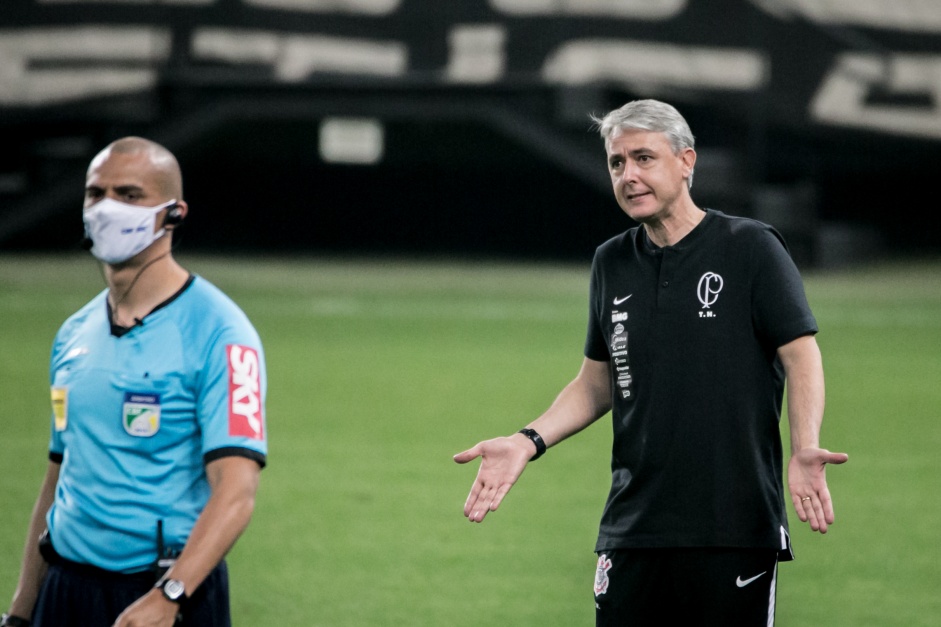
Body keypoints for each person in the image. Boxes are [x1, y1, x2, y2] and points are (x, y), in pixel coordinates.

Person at [454, 99, 848, 626]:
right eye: (617, 163)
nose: (628, 176)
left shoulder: (750, 247)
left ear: (686, 162)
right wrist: (527, 441)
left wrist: (803, 449)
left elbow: (801, 356)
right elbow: (597, 382)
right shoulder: (611, 261)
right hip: (633, 526)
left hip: (730, 529)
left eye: (644, 158)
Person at [2, 137, 267, 627]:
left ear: (173, 213)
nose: (106, 208)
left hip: (162, 592)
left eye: (128, 195)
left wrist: (170, 596)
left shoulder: (222, 334)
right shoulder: (73, 334)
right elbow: (60, 475)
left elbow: (236, 492)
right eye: (95, 193)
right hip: (64, 588)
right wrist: (22, 608)